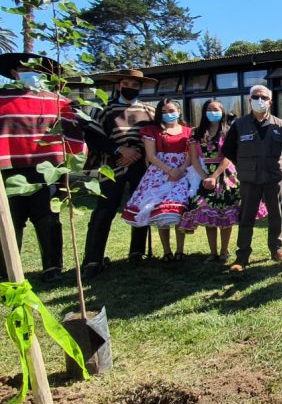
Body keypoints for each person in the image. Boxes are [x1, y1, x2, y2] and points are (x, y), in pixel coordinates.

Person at [0, 53, 85, 282]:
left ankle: (52, 267)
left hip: (47, 169)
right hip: (8, 170)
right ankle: (7, 270)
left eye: (37, 69)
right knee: (9, 221)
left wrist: (71, 162)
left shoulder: (57, 101)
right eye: (25, 68)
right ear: (13, 72)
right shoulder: (1, 99)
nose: (31, 72)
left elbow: (74, 133)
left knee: (48, 219)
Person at [81, 68, 157, 278]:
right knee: (104, 210)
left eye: (135, 86)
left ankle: (137, 251)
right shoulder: (104, 110)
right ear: (118, 85)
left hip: (139, 166)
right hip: (111, 166)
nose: (130, 89)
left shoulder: (149, 112)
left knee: (141, 207)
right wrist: (119, 150)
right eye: (127, 84)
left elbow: (154, 137)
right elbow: (94, 136)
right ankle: (93, 259)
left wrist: (136, 152)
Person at [179, 99, 267, 262]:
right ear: (204, 112)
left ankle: (224, 251)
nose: (213, 112)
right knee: (208, 214)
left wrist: (215, 176)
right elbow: (194, 158)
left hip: (227, 175)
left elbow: (228, 156)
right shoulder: (195, 133)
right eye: (210, 109)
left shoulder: (229, 131)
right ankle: (213, 252)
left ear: (222, 112)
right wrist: (206, 177)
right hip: (205, 174)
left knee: (227, 215)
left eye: (217, 109)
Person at [223, 84, 282, 273]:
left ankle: (277, 250)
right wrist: (244, 164)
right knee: (246, 216)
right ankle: (242, 256)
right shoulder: (239, 125)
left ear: (270, 102)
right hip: (249, 178)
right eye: (256, 97)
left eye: (264, 97)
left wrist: (274, 163)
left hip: (273, 177)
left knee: (276, 215)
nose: (260, 100)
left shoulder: (279, 124)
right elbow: (228, 150)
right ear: (249, 101)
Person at [122, 98, 194, 261]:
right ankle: (167, 251)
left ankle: (180, 250)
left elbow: (191, 155)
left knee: (178, 211)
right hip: (159, 173)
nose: (168, 114)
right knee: (161, 212)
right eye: (164, 112)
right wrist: (169, 170)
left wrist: (180, 170)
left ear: (179, 111)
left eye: (171, 111)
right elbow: (151, 156)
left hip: (182, 173)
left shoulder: (189, 132)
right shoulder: (152, 130)